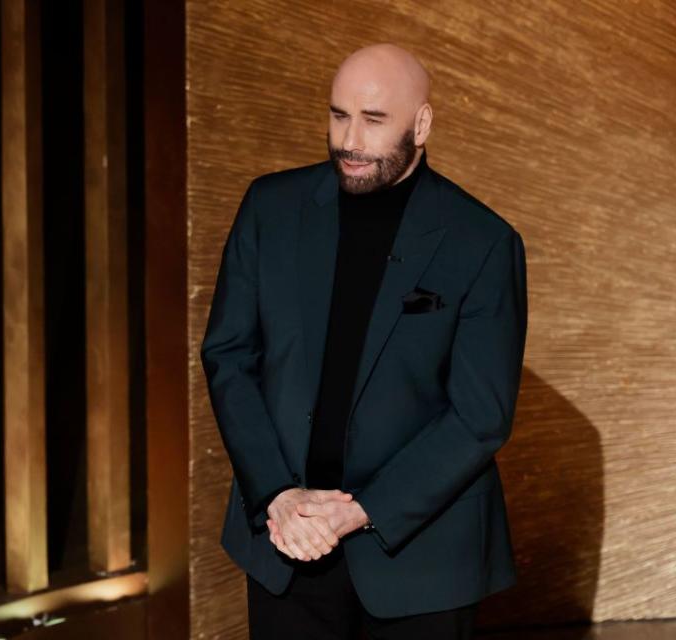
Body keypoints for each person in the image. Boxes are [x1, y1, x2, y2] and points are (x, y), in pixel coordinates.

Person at [200, 42, 528, 640]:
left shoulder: (482, 241)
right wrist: (276, 494)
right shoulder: (269, 209)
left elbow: (482, 414)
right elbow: (227, 355)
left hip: (421, 559)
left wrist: (360, 509)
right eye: (338, 115)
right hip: (287, 544)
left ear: (421, 124)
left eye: (374, 120)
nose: (350, 139)